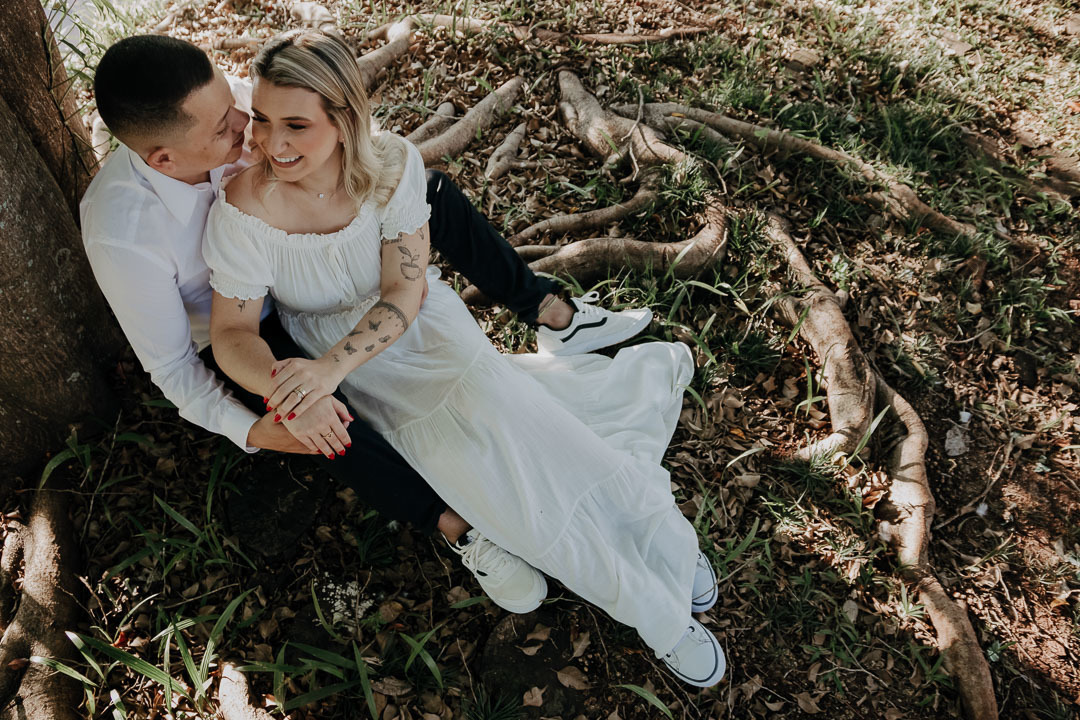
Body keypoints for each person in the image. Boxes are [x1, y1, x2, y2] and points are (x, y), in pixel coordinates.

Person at [203, 28, 727, 687]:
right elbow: (231, 335)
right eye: (263, 121)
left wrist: (331, 366)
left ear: (343, 119)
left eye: (297, 125)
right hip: (365, 378)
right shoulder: (243, 209)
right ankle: (652, 606)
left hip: (424, 334)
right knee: (508, 498)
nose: (273, 145)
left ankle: (663, 543)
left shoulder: (391, 166)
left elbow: (404, 289)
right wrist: (287, 382)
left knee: (542, 439)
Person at [81, 34, 655, 615]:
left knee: (429, 191)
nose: (246, 127)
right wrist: (252, 430)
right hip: (246, 330)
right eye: (226, 126)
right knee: (319, 415)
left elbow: (320, 134)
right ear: (163, 160)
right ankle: (456, 526)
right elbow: (175, 366)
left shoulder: (230, 113)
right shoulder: (122, 235)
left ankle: (551, 313)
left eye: (238, 105)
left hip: (304, 264)